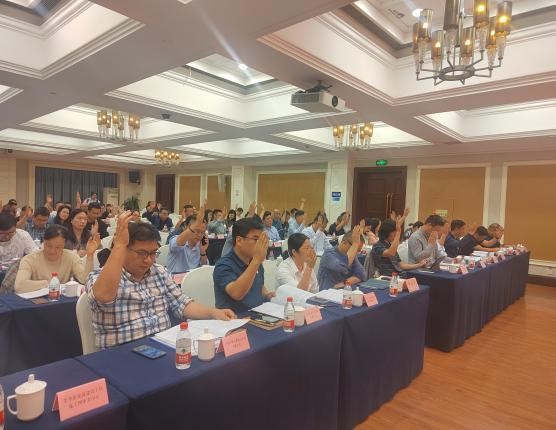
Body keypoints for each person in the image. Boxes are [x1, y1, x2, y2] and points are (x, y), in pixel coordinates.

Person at [86, 213, 234, 349]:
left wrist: (213, 312)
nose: (148, 260)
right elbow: (104, 296)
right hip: (122, 352)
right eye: (142, 253)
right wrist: (119, 244)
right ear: (123, 249)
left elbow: (181, 303)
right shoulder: (98, 276)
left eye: (153, 253)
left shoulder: (159, 271)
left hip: (162, 345)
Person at [213, 218, 275, 313]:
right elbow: (237, 293)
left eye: (262, 240)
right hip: (235, 318)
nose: (260, 244)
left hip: (258, 314)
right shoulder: (223, 265)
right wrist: (256, 261)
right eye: (256, 239)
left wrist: (267, 295)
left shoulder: (254, 260)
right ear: (239, 241)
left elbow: (259, 285)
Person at [15, 225, 99, 293]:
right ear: (43, 241)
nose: (52, 251)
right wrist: (47, 283)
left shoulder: (71, 256)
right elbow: (19, 286)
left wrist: (90, 256)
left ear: (64, 244)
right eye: (48, 246)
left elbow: (84, 280)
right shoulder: (29, 259)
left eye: (58, 247)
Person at [317, 226, 367, 291]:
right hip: (327, 293)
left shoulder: (352, 257)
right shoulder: (328, 254)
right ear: (344, 243)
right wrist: (355, 243)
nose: (356, 252)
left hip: (343, 291)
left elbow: (363, 275)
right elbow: (343, 267)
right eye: (356, 249)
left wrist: (344, 283)